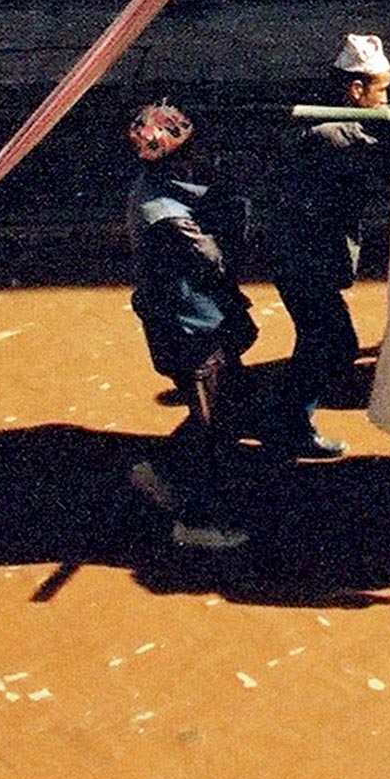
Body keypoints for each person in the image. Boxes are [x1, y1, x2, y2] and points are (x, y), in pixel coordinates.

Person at [124, 101, 258, 550]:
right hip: (189, 331)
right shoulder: (164, 212)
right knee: (213, 427)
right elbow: (213, 257)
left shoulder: (165, 188)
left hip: (198, 321)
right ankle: (197, 520)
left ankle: (163, 471)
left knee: (224, 409)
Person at [268, 32, 390, 459]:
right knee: (329, 343)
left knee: (326, 341)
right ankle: (291, 426)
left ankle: (289, 418)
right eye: (381, 91)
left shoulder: (332, 120)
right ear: (356, 90)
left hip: (305, 255)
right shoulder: (333, 135)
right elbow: (384, 157)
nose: (385, 100)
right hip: (305, 259)